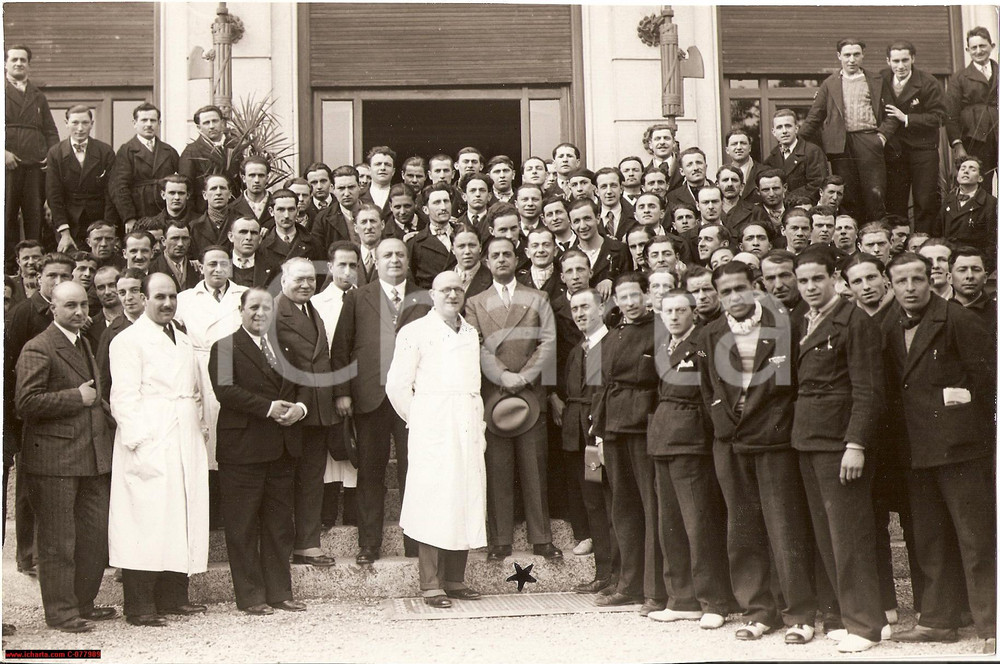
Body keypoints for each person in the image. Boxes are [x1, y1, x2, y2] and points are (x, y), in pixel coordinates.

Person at [882, 253, 996, 653]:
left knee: (976, 539)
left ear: (932, 279)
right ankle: (937, 621)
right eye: (901, 281)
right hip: (916, 451)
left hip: (960, 450)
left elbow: (987, 383)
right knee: (930, 540)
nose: (910, 287)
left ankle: (992, 626)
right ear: (890, 284)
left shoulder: (958, 319)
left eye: (918, 279)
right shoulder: (889, 324)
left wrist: (963, 425)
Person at [700, 261, 816, 643]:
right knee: (743, 528)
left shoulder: (783, 326)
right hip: (731, 442)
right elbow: (709, 390)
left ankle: (798, 613)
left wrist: (769, 419)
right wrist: (725, 423)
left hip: (773, 438)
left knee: (784, 527)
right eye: (726, 292)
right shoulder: (710, 333)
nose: (734, 297)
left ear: (756, 286)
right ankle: (758, 611)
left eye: (740, 288)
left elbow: (792, 384)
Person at [791, 247, 887, 652]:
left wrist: (856, 443)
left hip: (839, 442)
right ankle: (857, 618)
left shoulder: (855, 321)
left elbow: (869, 390)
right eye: (803, 281)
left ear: (835, 278)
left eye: (818, 278)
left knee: (849, 536)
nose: (810, 287)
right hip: (809, 439)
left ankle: (865, 625)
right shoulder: (805, 319)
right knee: (829, 537)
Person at [108, 272, 210, 627]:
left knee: (180, 515)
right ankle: (139, 605)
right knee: (146, 521)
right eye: (160, 297)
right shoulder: (127, 340)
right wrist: (140, 443)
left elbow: (194, 390)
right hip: (150, 438)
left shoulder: (182, 339)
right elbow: (123, 397)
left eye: (172, 297)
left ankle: (173, 597)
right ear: (144, 299)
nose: (167, 303)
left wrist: (199, 425)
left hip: (183, 434)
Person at [15, 280, 116, 633]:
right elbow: (26, 402)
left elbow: (95, 395)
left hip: (91, 456)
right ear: (53, 309)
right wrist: (76, 397)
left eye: (83, 305)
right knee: (58, 541)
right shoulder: (38, 347)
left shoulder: (83, 341)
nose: (79, 311)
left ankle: (83, 602)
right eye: (70, 305)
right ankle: (60, 613)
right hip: (54, 460)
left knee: (93, 537)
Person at [385, 271, 488, 609]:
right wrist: (420, 419)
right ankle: (430, 584)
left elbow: (473, 383)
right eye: (445, 289)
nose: (452, 295)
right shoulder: (415, 331)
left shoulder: (470, 332)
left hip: (467, 422)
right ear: (432, 294)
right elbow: (397, 385)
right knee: (433, 500)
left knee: (464, 496)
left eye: (458, 289)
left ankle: (455, 579)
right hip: (433, 423)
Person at [332, 239, 432, 564]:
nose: (394, 259)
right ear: (375, 261)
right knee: (370, 473)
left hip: (413, 400)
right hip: (370, 397)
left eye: (400, 254)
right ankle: (369, 544)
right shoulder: (357, 297)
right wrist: (343, 392)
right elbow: (342, 348)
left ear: (408, 260)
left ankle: (416, 542)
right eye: (387, 254)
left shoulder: (425, 298)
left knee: (413, 471)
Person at [209, 287, 307, 615]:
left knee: (279, 526)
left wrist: (300, 409)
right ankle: (251, 596)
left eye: (266, 307)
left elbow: (302, 386)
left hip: (281, 448)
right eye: (253, 307)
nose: (260, 313)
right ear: (240, 310)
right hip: (243, 450)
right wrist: (268, 408)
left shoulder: (286, 349)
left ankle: (280, 592)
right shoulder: (224, 347)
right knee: (243, 526)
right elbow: (225, 391)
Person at [464, 236, 560, 563]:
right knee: (498, 468)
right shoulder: (475, 302)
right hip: (496, 393)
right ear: (487, 262)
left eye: (507, 254)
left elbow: (548, 342)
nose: (502, 259)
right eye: (495, 255)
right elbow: (476, 344)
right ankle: (500, 539)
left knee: (535, 468)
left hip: (530, 391)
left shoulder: (538, 297)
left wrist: (524, 376)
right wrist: (503, 375)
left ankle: (542, 539)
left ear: (517, 260)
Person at [646, 288, 730, 629]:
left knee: (699, 524)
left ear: (693, 312)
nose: (674, 316)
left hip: (692, 438)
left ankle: (713, 601)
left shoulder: (703, 343)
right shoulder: (663, 345)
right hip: (663, 437)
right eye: (668, 311)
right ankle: (682, 598)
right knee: (670, 524)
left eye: (681, 310)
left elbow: (711, 388)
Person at [590, 272, 666, 615]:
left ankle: (655, 590)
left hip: (643, 427)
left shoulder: (660, 329)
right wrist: (599, 431)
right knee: (623, 507)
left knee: (651, 506)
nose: (631, 303)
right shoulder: (612, 334)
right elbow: (601, 386)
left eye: (636, 295)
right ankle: (628, 584)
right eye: (623, 297)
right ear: (616, 301)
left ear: (646, 296)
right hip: (614, 428)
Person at [5, 252, 76, 577]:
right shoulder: (24, 313)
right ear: (38, 278)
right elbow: (10, 368)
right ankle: (27, 555)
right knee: (28, 488)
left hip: (63, 410)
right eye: (52, 276)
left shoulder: (74, 310)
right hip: (29, 414)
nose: (58, 281)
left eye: (65, 276)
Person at [174, 245, 249, 530]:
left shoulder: (243, 294)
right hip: (198, 368)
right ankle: (207, 512)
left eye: (223, 264)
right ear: (201, 268)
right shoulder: (185, 299)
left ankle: (231, 510)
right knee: (203, 439)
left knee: (230, 438)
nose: (218, 269)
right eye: (212, 264)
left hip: (235, 368)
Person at [273, 258, 338, 568]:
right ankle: (284, 546)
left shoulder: (312, 310)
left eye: (311, 279)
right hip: (290, 408)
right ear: (283, 280)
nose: (306, 284)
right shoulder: (274, 311)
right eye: (299, 279)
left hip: (317, 409)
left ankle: (307, 545)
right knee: (286, 482)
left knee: (312, 479)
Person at [559, 287, 617, 594]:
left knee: (608, 502)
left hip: (599, 437)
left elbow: (601, 395)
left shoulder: (611, 345)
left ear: (602, 308)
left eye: (585, 307)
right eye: (575, 309)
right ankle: (604, 573)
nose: (580, 313)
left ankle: (619, 574)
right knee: (593, 501)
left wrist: (599, 433)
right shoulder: (577, 351)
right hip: (579, 437)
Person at [800, 38, 897, 222]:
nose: (851, 59)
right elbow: (815, 116)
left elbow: (892, 114)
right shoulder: (829, 83)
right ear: (839, 56)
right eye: (847, 55)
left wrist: (882, 137)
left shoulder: (876, 80)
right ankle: (850, 234)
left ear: (863, 55)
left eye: (856, 54)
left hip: (869, 141)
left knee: (875, 194)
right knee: (847, 195)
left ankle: (875, 234)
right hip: (841, 145)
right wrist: (797, 141)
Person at [309, 242, 360, 529]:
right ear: (330, 267)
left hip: (358, 385)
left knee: (356, 445)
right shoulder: (317, 303)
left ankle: (353, 510)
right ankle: (327, 511)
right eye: (342, 264)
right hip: (328, 386)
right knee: (330, 449)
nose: (347, 271)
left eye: (353, 265)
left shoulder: (365, 299)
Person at [880, 41, 947, 233]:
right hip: (894, 151)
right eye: (895, 61)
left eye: (905, 60)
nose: (900, 66)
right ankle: (898, 242)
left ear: (913, 59)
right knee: (895, 201)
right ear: (888, 61)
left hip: (923, 150)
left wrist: (907, 118)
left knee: (925, 200)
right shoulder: (881, 79)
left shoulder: (928, 82)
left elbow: (940, 116)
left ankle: (924, 242)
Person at [5, 45, 59, 259]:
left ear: (28, 65)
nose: (19, 63)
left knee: (34, 216)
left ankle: (35, 261)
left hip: (35, 167)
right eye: (14, 59)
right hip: (8, 166)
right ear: (5, 64)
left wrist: (52, 155)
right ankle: (9, 265)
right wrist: (3, 153)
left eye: (23, 60)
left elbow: (50, 130)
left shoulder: (38, 96)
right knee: (6, 215)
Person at [45, 105, 117, 252]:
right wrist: (64, 232)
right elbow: (54, 194)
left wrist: (107, 227)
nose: (80, 128)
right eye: (75, 123)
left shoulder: (105, 151)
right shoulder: (56, 153)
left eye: (85, 123)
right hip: (69, 221)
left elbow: (111, 192)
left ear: (92, 124)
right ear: (66, 123)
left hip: (98, 219)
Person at [110, 103, 181, 232]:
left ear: (159, 123)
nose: (149, 124)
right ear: (135, 123)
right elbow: (119, 187)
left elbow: (181, 182)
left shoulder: (169, 151)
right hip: (138, 211)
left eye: (153, 120)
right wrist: (129, 217)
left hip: (164, 211)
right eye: (144, 120)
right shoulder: (126, 151)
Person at [945, 26, 999, 191]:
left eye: (982, 46)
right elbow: (951, 114)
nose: (978, 51)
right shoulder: (960, 78)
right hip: (975, 139)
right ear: (967, 50)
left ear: (992, 46)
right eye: (974, 47)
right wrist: (957, 144)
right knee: (980, 186)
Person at [933, 156, 997, 269]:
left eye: (972, 169)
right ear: (958, 176)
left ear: (980, 178)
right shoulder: (949, 200)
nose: (966, 171)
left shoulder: (991, 203)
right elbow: (937, 233)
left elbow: (992, 242)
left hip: (973, 263)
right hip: (949, 261)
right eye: (963, 169)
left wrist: (984, 268)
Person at [179, 105, 245, 212]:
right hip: (204, 211)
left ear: (222, 123)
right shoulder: (191, 152)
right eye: (206, 123)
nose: (211, 126)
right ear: (199, 128)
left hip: (234, 209)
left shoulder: (234, 146)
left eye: (215, 121)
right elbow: (186, 188)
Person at [764, 109, 829, 202]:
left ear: (796, 129)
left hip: (805, 206)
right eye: (779, 127)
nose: (784, 131)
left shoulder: (812, 152)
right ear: (773, 132)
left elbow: (818, 184)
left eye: (788, 126)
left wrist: (788, 200)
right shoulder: (771, 159)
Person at [408, 183, 459, 289]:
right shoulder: (416, 243)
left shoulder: (464, 235)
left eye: (446, 201)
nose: (443, 207)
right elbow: (411, 282)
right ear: (425, 210)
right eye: (437, 203)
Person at [259, 189, 323, 264]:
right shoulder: (262, 244)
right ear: (271, 211)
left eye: (291, 209)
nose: (286, 215)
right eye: (281, 210)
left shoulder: (313, 243)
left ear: (297, 210)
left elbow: (321, 270)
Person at [190, 174, 240, 256]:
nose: (218, 193)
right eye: (213, 188)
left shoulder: (241, 223)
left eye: (222, 188)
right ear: (205, 195)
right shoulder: (194, 227)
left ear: (230, 194)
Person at [949, 245, 997, 327]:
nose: (970, 276)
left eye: (976, 270)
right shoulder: (941, 312)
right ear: (949, 278)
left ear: (985, 278)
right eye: (962, 270)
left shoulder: (996, 312)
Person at [228, 217, 278, 289]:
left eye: (254, 233)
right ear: (231, 236)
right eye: (243, 232)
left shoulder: (272, 267)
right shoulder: (219, 263)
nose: (249, 237)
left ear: (260, 239)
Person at [149, 223, 199, 292]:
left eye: (185, 238)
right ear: (163, 241)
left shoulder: (197, 269)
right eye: (175, 238)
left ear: (190, 241)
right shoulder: (152, 269)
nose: (180, 244)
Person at [228, 156, 274, 229]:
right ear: (243, 178)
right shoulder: (232, 209)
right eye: (252, 175)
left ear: (267, 178)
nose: (256, 180)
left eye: (261, 175)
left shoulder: (278, 205)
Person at [724, 127, 764, 204]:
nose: (739, 147)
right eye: (734, 144)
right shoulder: (723, 175)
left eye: (743, 143)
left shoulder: (763, 171)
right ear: (727, 150)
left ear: (750, 148)